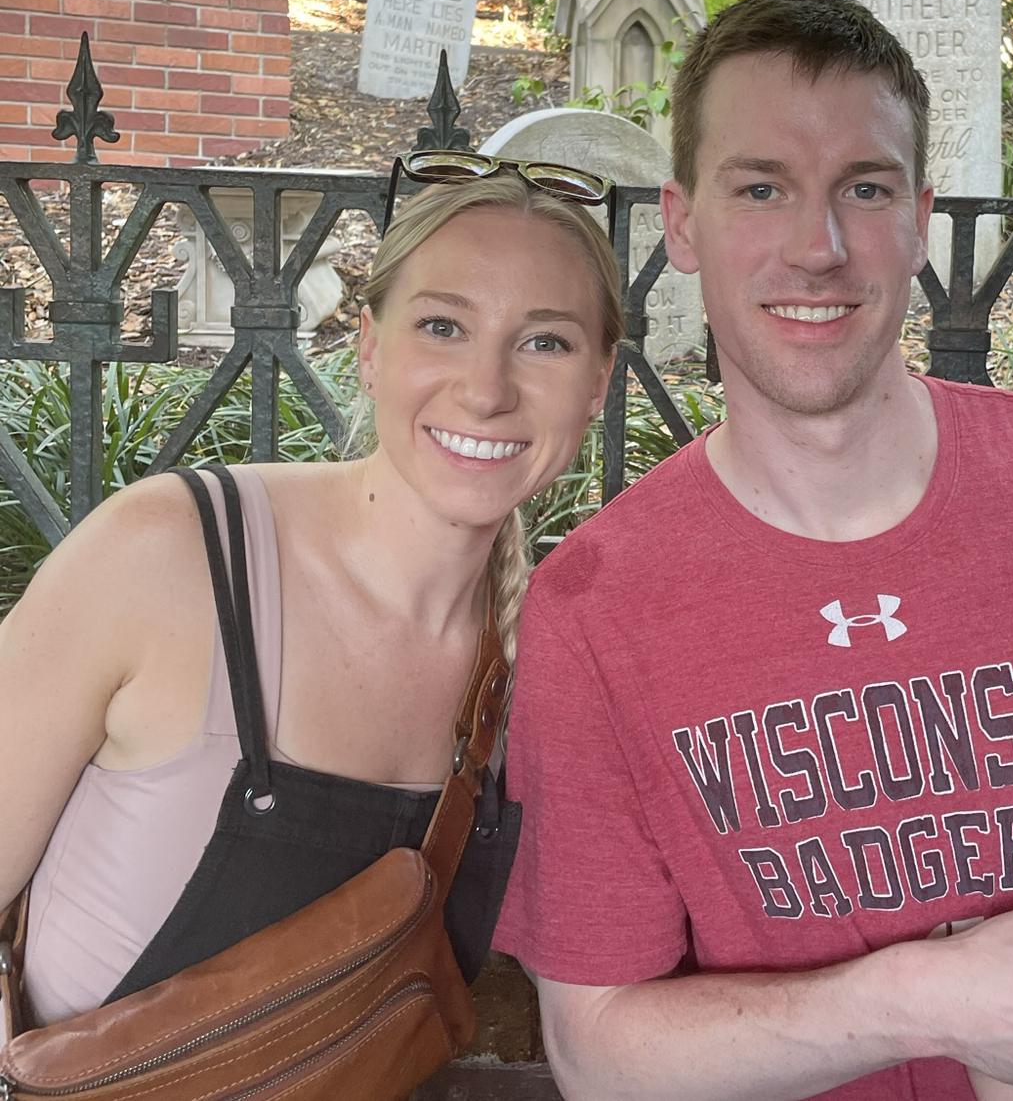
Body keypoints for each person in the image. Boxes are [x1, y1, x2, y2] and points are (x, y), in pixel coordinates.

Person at [497, 0, 1013, 1101]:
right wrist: (931, 999)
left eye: (865, 188)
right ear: (684, 224)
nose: (819, 247)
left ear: (921, 218)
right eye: (762, 189)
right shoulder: (596, 608)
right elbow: (599, 1056)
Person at [0, 171, 621, 1028]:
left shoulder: (547, 665)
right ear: (369, 347)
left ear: (599, 383)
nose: (486, 389)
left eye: (544, 342)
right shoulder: (168, 558)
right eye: (442, 327)